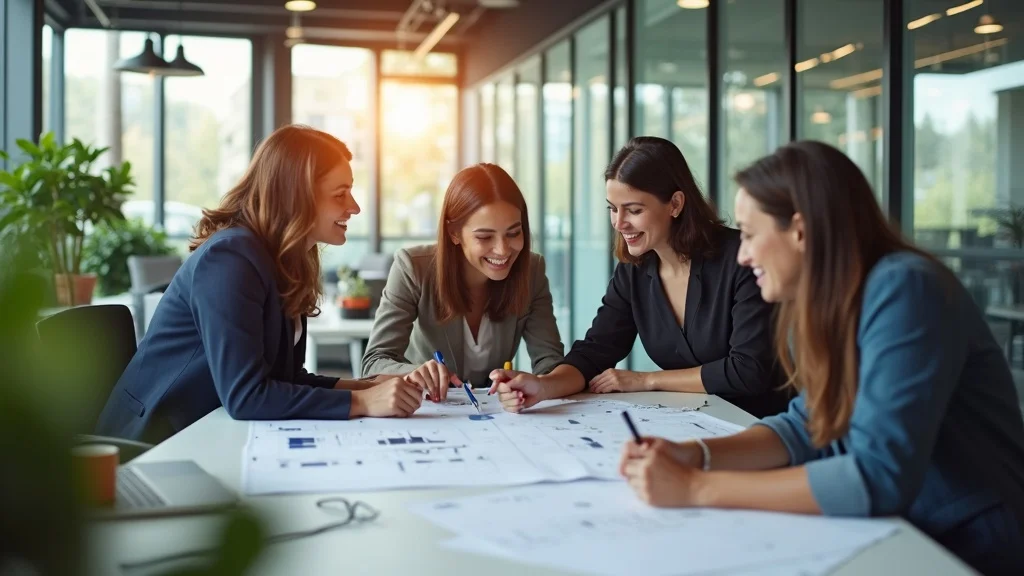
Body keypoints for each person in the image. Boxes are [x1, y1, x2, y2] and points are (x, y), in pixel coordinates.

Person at [619, 141, 1024, 575]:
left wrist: (697, 487)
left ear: (799, 230)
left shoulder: (905, 289)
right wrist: (696, 454)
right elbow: (806, 427)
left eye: (750, 234)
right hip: (902, 528)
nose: (742, 255)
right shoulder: (834, 301)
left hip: (967, 544)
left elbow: (877, 475)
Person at [96, 125, 423, 443]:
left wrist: (367, 386)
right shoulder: (229, 258)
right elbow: (247, 396)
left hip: (210, 433)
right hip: (154, 443)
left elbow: (287, 380)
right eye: (340, 194)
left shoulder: (286, 261)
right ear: (296, 196)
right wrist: (363, 402)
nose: (354, 207)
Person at [489, 136, 788, 418]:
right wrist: (543, 386)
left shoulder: (743, 258)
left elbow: (748, 370)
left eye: (633, 210)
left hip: (759, 424)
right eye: (613, 209)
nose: (619, 223)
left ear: (675, 204)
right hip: (695, 421)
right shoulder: (635, 270)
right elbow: (595, 351)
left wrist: (646, 380)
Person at [361, 163, 564, 400]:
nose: (502, 250)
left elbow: (550, 362)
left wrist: (533, 385)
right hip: (427, 408)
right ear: (454, 233)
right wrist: (414, 374)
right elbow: (374, 363)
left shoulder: (532, 271)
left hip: (495, 412)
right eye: (484, 237)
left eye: (513, 233)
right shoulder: (413, 268)